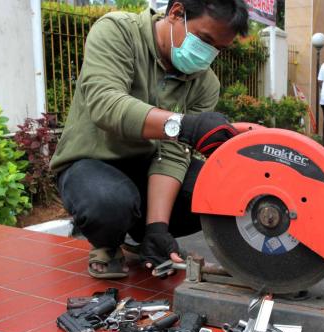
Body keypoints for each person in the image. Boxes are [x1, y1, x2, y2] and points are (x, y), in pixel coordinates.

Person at [49, 0, 249, 279]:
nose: (208, 54)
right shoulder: (117, 31)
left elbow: (173, 154)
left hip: (148, 166)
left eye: (218, 48)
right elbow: (106, 105)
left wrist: (157, 227)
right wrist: (185, 126)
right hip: (92, 160)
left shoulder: (205, 83)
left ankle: (148, 238)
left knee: (214, 189)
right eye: (204, 39)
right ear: (176, 13)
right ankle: (108, 243)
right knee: (108, 203)